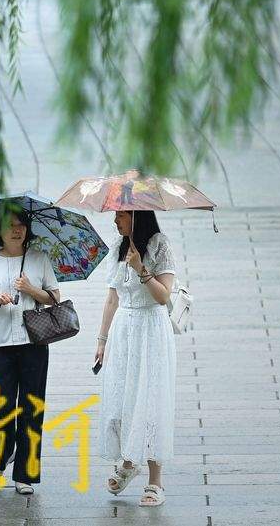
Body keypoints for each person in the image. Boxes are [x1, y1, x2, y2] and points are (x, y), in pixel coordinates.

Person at [0, 208, 59, 495]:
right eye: (11, 225)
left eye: (21, 225)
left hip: (33, 345)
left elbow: (54, 298)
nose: (17, 230)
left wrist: (31, 289)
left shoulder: (39, 258)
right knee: (0, 408)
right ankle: (5, 450)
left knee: (32, 410)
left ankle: (25, 475)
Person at [93, 210, 176, 507]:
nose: (116, 220)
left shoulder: (159, 244)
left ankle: (156, 481)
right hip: (124, 330)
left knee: (150, 400)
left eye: (122, 215)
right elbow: (112, 298)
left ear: (137, 216)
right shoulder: (118, 247)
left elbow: (164, 296)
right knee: (122, 398)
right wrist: (101, 340)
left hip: (150, 329)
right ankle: (129, 462)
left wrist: (142, 268)